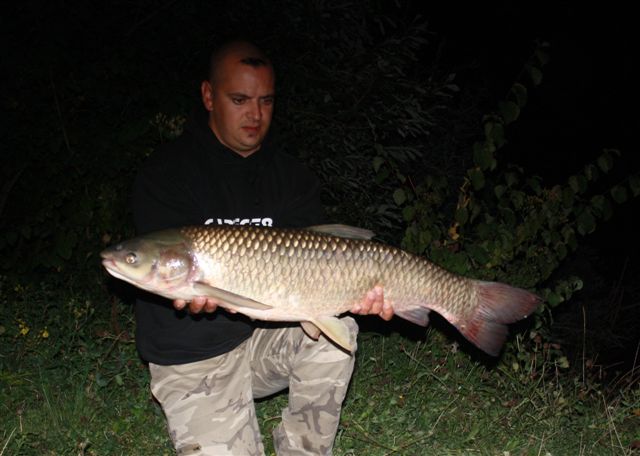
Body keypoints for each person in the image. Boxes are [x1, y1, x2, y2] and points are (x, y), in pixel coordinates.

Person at [131, 40, 393, 455]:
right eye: (239, 100)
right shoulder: (166, 174)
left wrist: (353, 288)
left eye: (265, 101)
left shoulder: (291, 176)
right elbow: (159, 268)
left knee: (333, 333)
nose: (255, 115)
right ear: (208, 96)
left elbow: (317, 261)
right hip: (192, 357)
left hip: (261, 341)